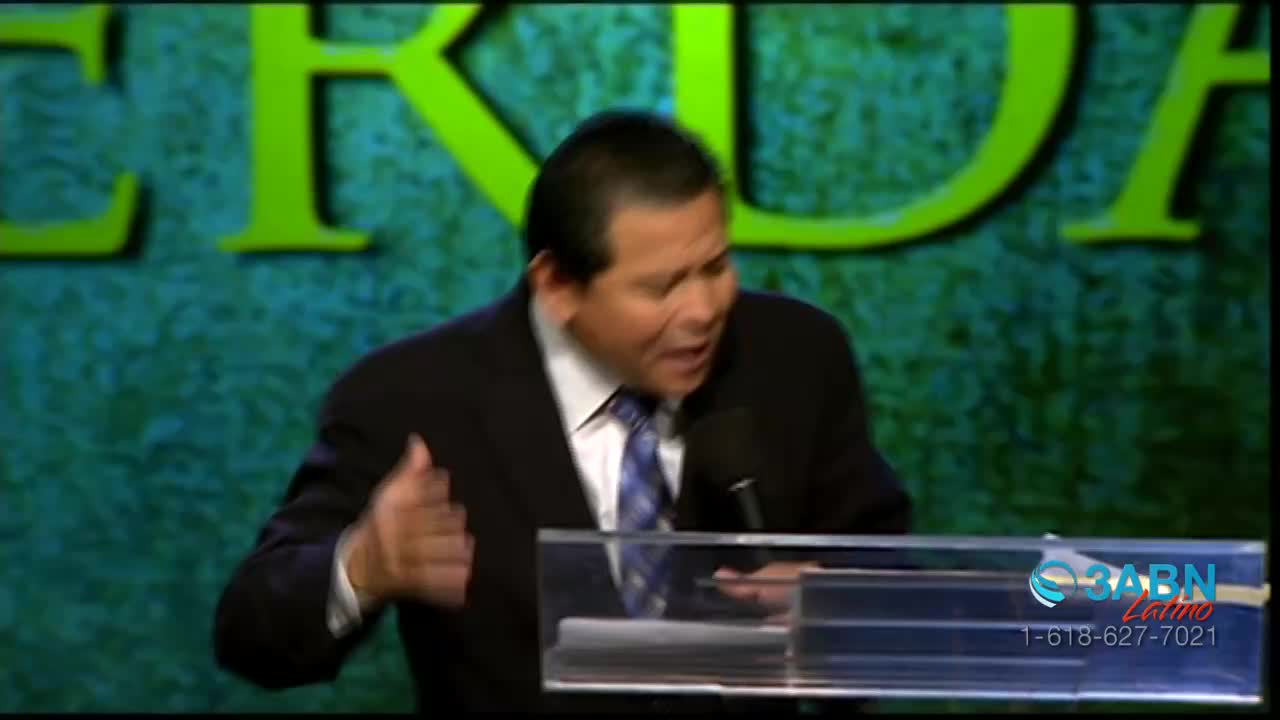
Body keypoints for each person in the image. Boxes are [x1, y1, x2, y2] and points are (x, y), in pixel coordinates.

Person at [213, 109, 912, 713]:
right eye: (662, 286)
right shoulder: (413, 399)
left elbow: (888, 571)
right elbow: (251, 635)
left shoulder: (792, 359)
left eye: (716, 267)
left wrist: (840, 603)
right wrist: (361, 565)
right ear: (557, 284)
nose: (703, 311)